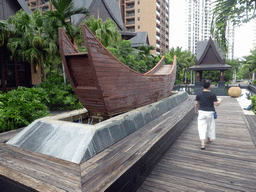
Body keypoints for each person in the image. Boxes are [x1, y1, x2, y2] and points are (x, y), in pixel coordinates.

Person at [195, 79, 223, 150]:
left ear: (203, 86)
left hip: (201, 112)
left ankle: (202, 143)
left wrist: (196, 110)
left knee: (201, 127)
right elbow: (216, 104)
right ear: (209, 86)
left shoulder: (199, 93)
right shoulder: (213, 94)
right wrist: (220, 100)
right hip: (210, 113)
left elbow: (196, 103)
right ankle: (209, 139)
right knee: (210, 126)